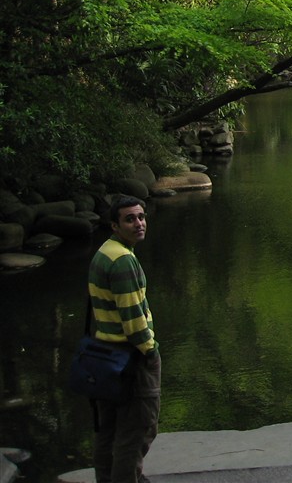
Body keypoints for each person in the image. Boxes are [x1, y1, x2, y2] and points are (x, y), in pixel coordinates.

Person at [87, 195, 161, 483]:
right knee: (138, 430)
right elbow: (133, 320)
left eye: (141, 217)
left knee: (108, 429)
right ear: (115, 226)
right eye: (130, 219)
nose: (139, 223)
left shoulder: (105, 252)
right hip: (130, 358)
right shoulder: (122, 261)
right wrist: (150, 351)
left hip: (103, 353)